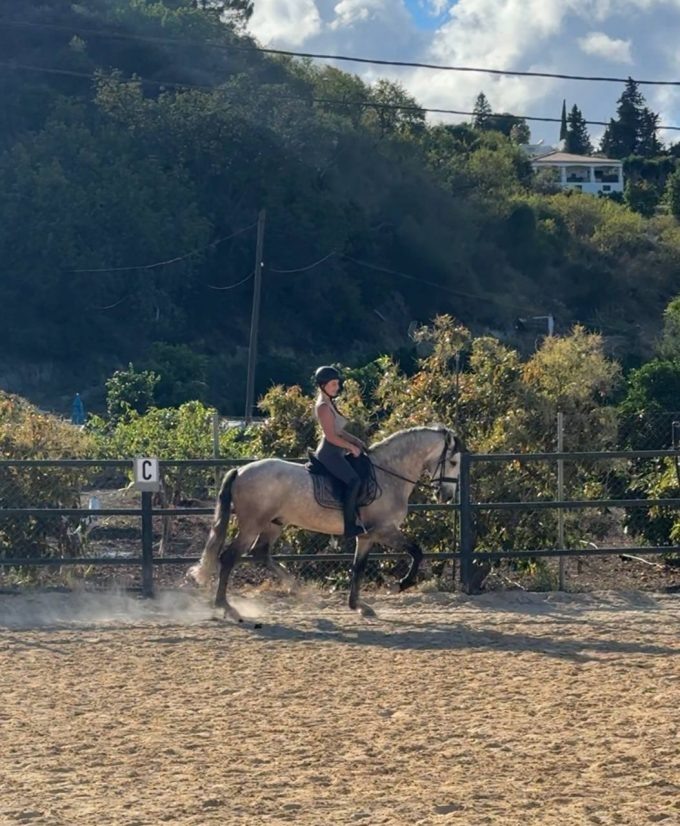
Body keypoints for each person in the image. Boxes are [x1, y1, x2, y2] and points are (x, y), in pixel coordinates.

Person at [313, 365, 367, 537]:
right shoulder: (322, 406)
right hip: (329, 453)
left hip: (337, 451)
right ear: (323, 386)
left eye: (337, 384)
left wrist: (356, 441)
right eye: (333, 384)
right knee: (353, 481)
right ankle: (349, 525)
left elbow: (339, 431)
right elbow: (330, 436)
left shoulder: (330, 403)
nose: (337, 388)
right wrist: (350, 447)